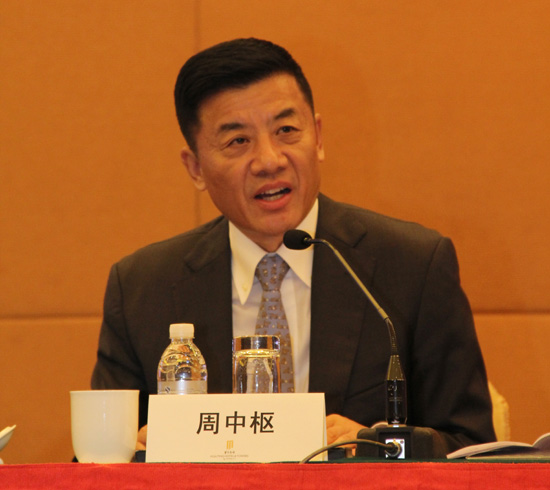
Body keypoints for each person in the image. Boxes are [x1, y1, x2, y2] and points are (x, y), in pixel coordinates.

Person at [91, 38, 496, 454]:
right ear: (195, 168)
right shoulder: (143, 289)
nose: (269, 160)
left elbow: (474, 449)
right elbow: (94, 461)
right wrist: (130, 454)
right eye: (238, 141)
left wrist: (380, 448)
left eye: (286, 131)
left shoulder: (413, 266)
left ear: (317, 137)